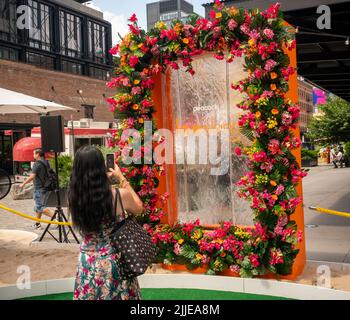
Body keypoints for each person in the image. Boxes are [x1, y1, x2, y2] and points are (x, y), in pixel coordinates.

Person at [69, 146, 144, 300]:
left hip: (87, 261)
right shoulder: (117, 196)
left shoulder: (74, 198)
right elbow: (139, 208)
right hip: (113, 261)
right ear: (101, 167)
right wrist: (122, 178)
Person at [19, 148, 53, 229]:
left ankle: (58, 218)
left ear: (38, 154)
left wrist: (23, 184)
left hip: (40, 188)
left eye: (34, 153)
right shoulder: (46, 162)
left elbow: (32, 176)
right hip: (46, 187)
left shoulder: (37, 164)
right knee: (39, 206)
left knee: (40, 207)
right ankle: (37, 224)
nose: (33, 155)